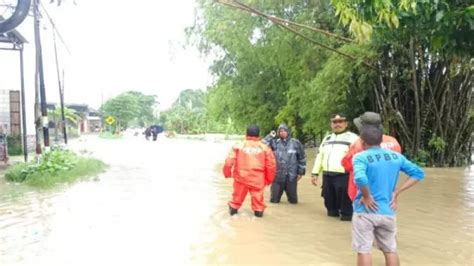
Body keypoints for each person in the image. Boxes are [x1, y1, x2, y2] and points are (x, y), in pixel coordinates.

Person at [352, 125, 424, 266]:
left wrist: (366, 196)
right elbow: (418, 173)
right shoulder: (396, 157)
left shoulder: (360, 157)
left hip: (365, 211)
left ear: (362, 141)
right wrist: (396, 192)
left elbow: (360, 178)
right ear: (381, 140)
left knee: (364, 250)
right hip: (388, 210)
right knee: (390, 249)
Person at [342, 112, 401, 201]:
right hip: (387, 193)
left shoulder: (360, 144)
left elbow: (347, 165)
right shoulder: (393, 142)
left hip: (363, 195)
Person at [311, 114, 358, 221]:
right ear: (331, 124)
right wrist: (315, 173)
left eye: (340, 122)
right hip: (327, 176)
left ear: (346, 124)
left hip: (344, 175)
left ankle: (347, 217)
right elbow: (320, 156)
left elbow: (360, 157)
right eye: (334, 122)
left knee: (346, 213)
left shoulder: (353, 138)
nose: (337, 124)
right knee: (331, 211)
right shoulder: (327, 138)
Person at [223, 125, 277, 217]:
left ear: (246, 134)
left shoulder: (238, 146)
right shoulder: (265, 148)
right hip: (257, 180)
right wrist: (269, 180)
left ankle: (232, 219)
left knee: (235, 201)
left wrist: (227, 173)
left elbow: (228, 162)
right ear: (259, 135)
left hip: (241, 178)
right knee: (258, 205)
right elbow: (271, 166)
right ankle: (258, 223)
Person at [262, 123, 306, 204]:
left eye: (284, 130)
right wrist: (270, 136)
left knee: (293, 202)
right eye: (280, 131)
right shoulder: (274, 143)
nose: (282, 132)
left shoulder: (295, 143)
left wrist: (301, 172)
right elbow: (262, 145)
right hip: (277, 176)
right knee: (274, 201)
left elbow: (302, 158)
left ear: (288, 131)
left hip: (291, 176)